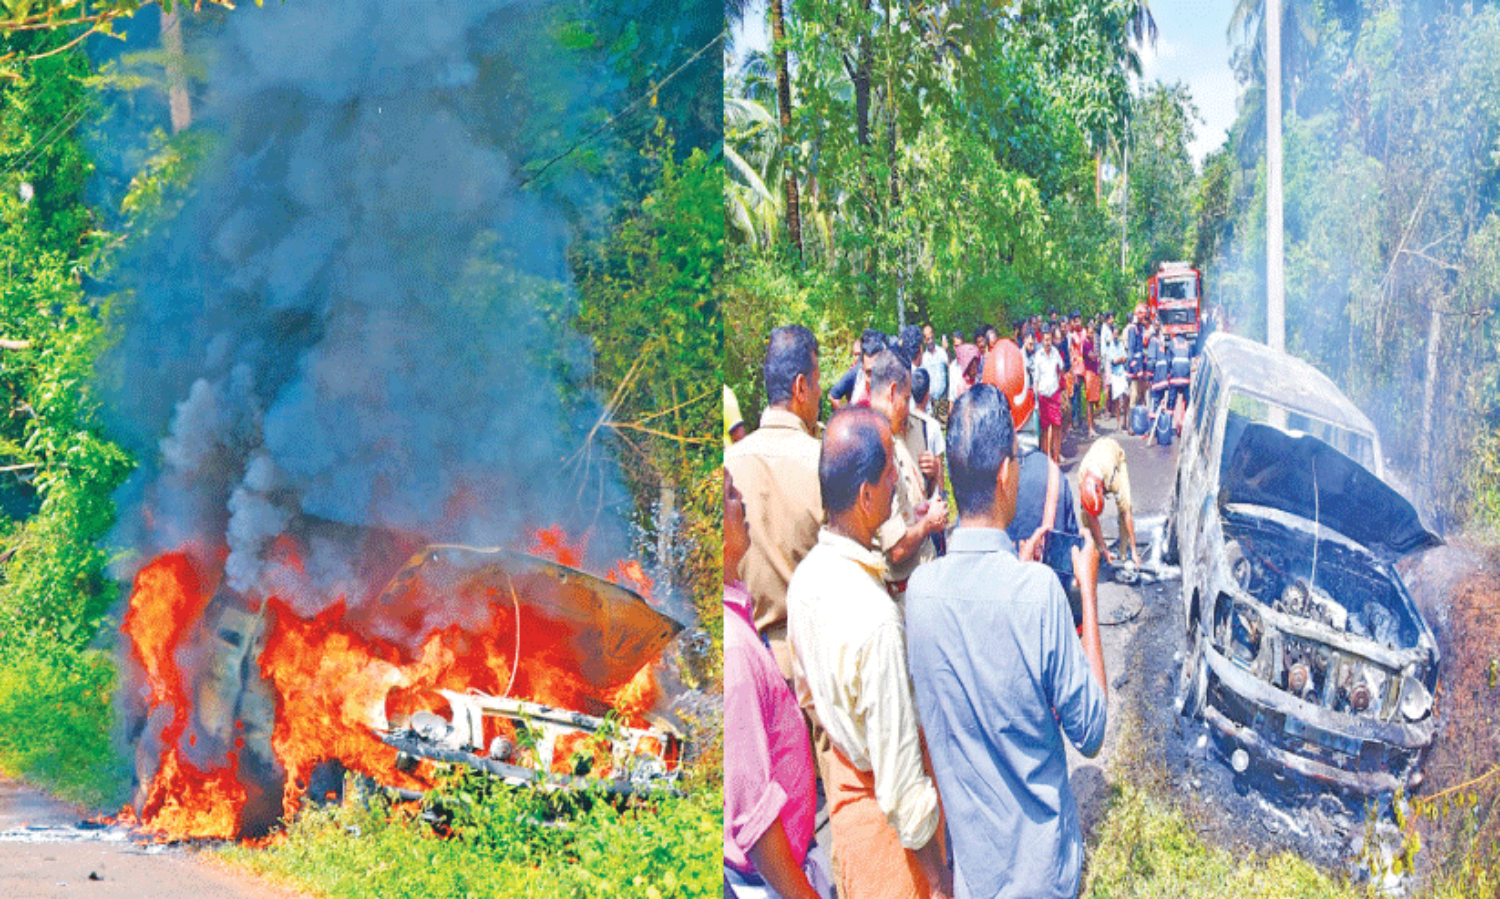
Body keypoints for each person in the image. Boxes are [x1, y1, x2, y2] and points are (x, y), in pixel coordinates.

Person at [905, 384, 1108, 899]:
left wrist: (1015, 576)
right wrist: (1087, 588)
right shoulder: (1038, 595)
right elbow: (1091, 731)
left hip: (976, 875)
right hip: (1044, 878)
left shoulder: (921, 593)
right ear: (1003, 474)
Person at [786, 407, 949, 899]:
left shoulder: (806, 581)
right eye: (889, 475)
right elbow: (900, 787)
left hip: (847, 810)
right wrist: (939, 879)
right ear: (865, 496)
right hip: (891, 846)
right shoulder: (874, 618)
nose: (898, 481)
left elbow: (809, 697)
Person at [724, 470, 831, 899]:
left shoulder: (737, 614)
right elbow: (754, 818)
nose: (742, 500)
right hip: (768, 883)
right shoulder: (733, 650)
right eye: (731, 495)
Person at [724, 325, 824, 680]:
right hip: (807, 670)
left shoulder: (730, 464)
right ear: (800, 388)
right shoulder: (823, 463)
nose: (819, 394)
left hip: (746, 666)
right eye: (816, 384)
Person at [866, 350, 948, 597]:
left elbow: (924, 497)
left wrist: (932, 479)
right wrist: (927, 524)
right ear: (892, 393)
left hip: (921, 578)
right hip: (900, 593)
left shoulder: (915, 428)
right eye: (905, 397)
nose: (908, 405)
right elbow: (898, 550)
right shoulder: (873, 443)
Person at [1077, 436, 1142, 568]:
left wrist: (1134, 551)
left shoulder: (1113, 479)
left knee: (1125, 504)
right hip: (1098, 453)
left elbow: (1126, 513)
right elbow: (1092, 517)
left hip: (1114, 453)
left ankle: (1124, 552)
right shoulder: (1082, 479)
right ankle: (1096, 550)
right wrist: (1104, 549)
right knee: (1085, 515)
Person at [1033, 328, 1064, 463]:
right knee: (1045, 429)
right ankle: (1047, 460)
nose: (1047, 342)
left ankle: (1056, 458)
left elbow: (1061, 369)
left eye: (1049, 339)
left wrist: (1060, 387)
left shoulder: (1056, 353)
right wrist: (1036, 398)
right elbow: (1036, 380)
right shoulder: (1038, 356)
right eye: (1045, 340)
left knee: (1057, 426)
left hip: (1054, 394)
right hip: (1043, 396)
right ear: (1041, 340)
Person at [919, 324, 950, 425]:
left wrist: (947, 350)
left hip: (943, 399)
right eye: (927, 338)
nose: (930, 340)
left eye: (931, 336)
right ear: (924, 340)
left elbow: (950, 365)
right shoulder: (923, 358)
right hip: (930, 401)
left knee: (945, 427)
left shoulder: (941, 352)